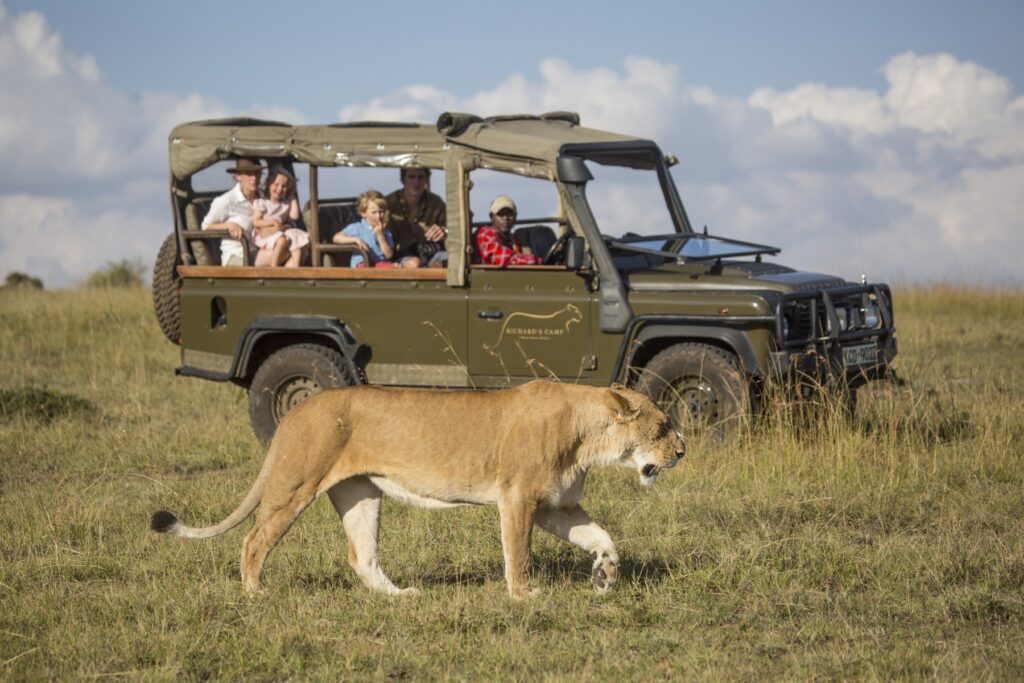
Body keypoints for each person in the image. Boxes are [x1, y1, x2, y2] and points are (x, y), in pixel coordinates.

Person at [201, 157, 262, 266]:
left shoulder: (264, 197)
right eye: (249, 174)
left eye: (257, 173)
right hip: (237, 255)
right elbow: (205, 226)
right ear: (238, 177)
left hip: (259, 251)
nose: (254, 178)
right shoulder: (226, 200)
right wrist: (228, 225)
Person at [385, 166, 446, 268]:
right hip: (398, 257)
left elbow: (454, 228)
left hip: (430, 255)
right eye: (411, 177)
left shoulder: (436, 203)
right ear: (403, 179)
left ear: (426, 179)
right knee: (413, 264)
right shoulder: (389, 204)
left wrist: (443, 231)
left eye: (421, 177)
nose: (416, 182)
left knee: (452, 261)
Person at [251, 168, 310, 267]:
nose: (279, 189)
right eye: (276, 184)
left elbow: (294, 216)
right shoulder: (262, 202)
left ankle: (296, 267)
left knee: (297, 240)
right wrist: (273, 222)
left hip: (281, 231)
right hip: (266, 233)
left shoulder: (285, 203)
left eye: (284, 186)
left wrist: (293, 198)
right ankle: (274, 267)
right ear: (269, 184)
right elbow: (256, 222)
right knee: (282, 240)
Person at [332, 190, 398, 268]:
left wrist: (380, 236)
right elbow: (336, 238)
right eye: (374, 212)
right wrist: (355, 239)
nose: (378, 216)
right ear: (363, 213)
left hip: (379, 264)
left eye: (381, 212)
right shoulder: (357, 228)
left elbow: (389, 255)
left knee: (396, 267)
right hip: (362, 264)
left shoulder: (386, 232)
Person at [475, 195, 541, 266]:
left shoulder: (513, 239)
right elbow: (501, 258)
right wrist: (536, 260)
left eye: (509, 214)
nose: (505, 218)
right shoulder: (485, 233)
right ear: (491, 217)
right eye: (500, 214)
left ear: (515, 217)